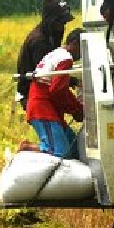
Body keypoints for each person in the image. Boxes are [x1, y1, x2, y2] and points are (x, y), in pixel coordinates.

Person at [25, 28, 85, 159]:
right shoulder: (65, 58)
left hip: (50, 110)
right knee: (60, 153)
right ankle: (27, 148)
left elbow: (58, 88)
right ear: (75, 43)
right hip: (43, 110)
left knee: (73, 149)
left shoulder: (57, 54)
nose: (81, 55)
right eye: (82, 49)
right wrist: (76, 109)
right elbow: (58, 90)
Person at [16, 0, 75, 109]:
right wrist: (75, 80)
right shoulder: (39, 42)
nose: (62, 27)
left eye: (64, 23)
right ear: (51, 20)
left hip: (43, 89)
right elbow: (48, 74)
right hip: (33, 93)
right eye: (60, 22)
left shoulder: (50, 35)